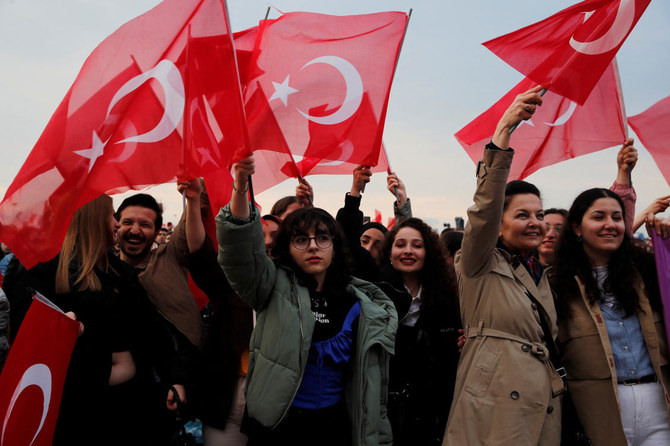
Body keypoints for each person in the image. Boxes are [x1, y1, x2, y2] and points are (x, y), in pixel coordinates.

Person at [216, 155, 397, 445]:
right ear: (288, 248)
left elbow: (371, 382)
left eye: (322, 238)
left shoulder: (358, 301)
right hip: (278, 428)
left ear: (335, 246)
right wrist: (239, 185)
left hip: (334, 427)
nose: (313, 245)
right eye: (301, 239)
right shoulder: (272, 287)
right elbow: (238, 254)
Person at [444, 85, 565, 445]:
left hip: (542, 399)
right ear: (499, 223)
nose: (536, 222)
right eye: (522, 214)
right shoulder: (478, 261)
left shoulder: (542, 272)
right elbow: (483, 208)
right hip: (495, 401)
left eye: (540, 214)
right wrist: (503, 135)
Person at [553, 188, 670, 445]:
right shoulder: (556, 285)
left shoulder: (648, 271)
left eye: (617, 217)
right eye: (598, 217)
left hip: (658, 405)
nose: (610, 225)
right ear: (577, 228)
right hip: (597, 412)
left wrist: (666, 244)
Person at [377, 218, 461, 445]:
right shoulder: (373, 295)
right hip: (384, 415)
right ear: (389, 251)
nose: (408, 251)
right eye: (400, 244)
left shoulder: (448, 298)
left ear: (429, 252)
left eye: (417, 245)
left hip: (433, 416)